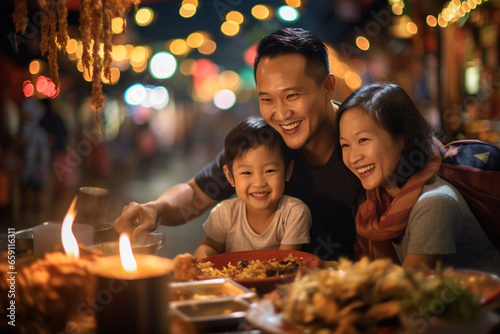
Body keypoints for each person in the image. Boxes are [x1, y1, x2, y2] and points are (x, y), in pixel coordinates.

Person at [114, 28, 362, 261]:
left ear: (328, 87)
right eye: (267, 99)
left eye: (292, 96)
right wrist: (155, 209)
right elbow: (195, 195)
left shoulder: (364, 141)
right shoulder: (268, 141)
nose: (281, 114)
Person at [335, 82, 500, 274]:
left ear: (402, 138)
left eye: (363, 140)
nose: (353, 157)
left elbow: (407, 292)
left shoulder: (434, 203)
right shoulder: (378, 201)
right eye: (345, 145)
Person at [193, 116, 312, 259]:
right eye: (247, 172)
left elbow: (283, 264)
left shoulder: (294, 213)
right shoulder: (224, 213)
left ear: (287, 171)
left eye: (269, 171)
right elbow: (210, 247)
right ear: (230, 176)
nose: (259, 183)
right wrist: (203, 253)